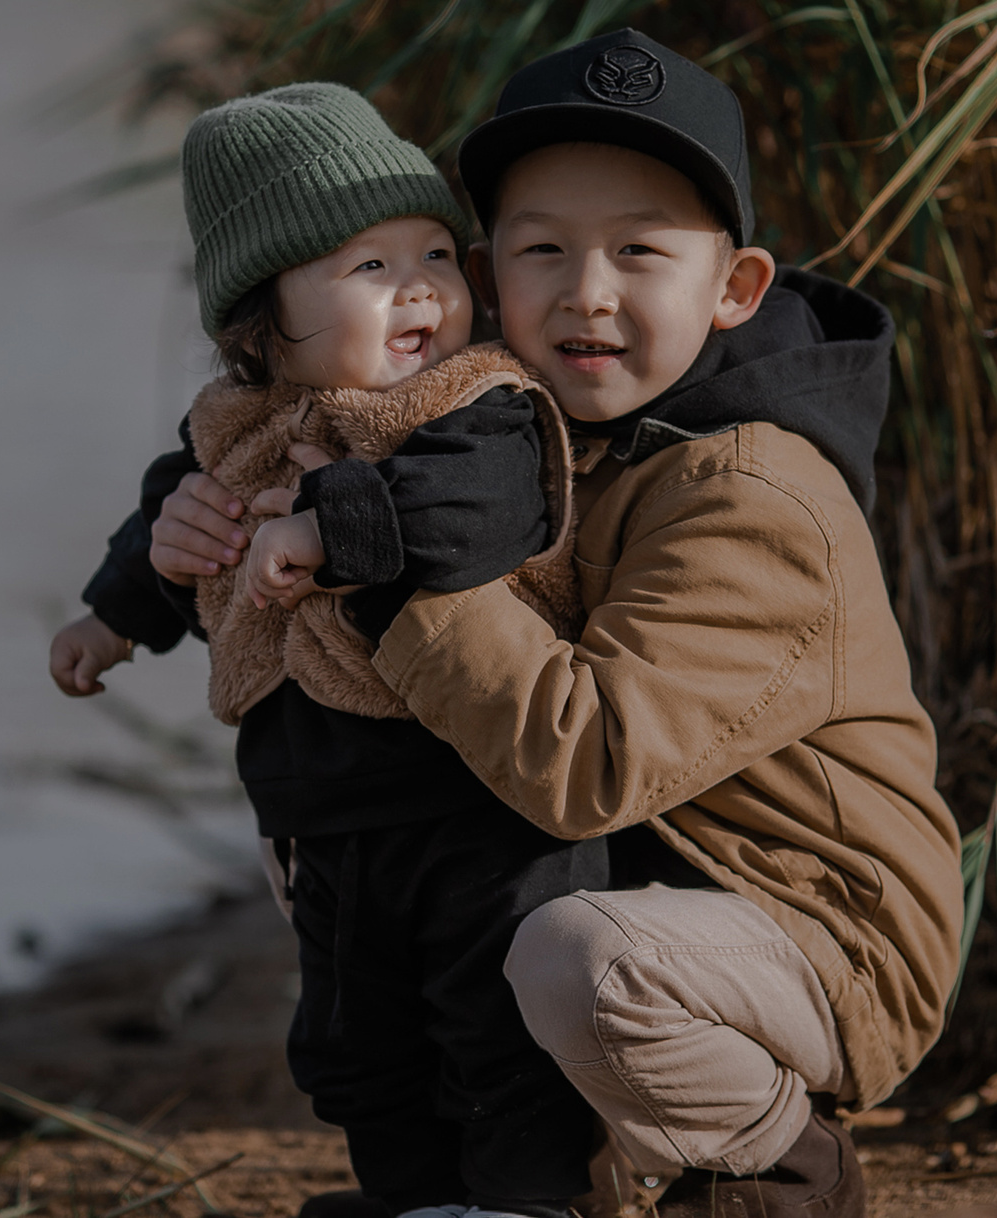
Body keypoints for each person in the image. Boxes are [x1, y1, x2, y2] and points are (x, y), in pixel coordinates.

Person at [151, 30, 963, 1218]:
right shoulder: (506, 423)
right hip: (647, 875)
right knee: (347, 831)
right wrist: (195, 543)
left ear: (734, 287)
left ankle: (780, 1175)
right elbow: (277, 466)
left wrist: (374, 558)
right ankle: (473, 1183)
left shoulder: (752, 490)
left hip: (814, 925)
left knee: (576, 961)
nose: (588, 292)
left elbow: (583, 766)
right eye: (544, 250)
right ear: (487, 275)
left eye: (640, 251)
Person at [48, 82, 612, 1218]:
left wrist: (322, 528)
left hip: (479, 804)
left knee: (494, 1025)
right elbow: (171, 510)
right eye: (368, 267)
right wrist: (125, 603)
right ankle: (414, 1200)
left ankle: (522, 1202)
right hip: (326, 824)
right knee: (356, 1044)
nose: (422, 289)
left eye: (436, 256)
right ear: (258, 327)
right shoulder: (234, 432)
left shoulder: (479, 406)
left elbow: (474, 514)